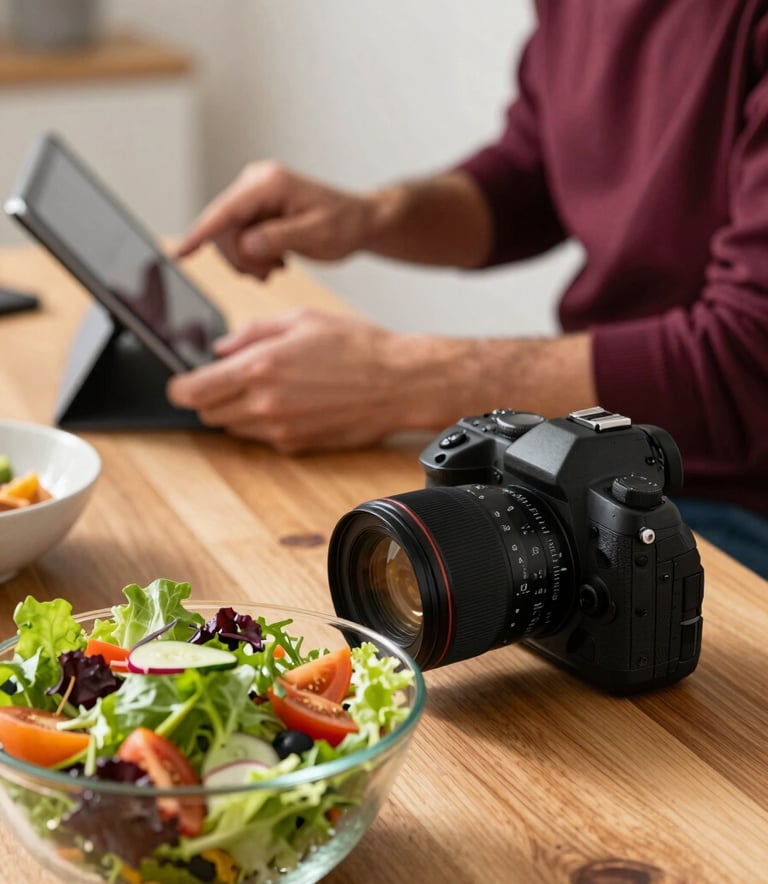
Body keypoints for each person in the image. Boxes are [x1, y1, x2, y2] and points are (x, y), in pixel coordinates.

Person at [167, 0, 768, 578]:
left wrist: (392, 377)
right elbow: (532, 171)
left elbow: (742, 363)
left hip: (728, 496)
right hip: (608, 454)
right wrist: (370, 216)